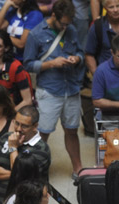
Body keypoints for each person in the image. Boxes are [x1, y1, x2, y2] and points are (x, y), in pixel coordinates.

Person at [23, 0, 84, 176]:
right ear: (54, 16)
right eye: (63, 23)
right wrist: (51, 64)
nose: (66, 26)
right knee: (43, 133)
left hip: (71, 88)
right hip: (49, 90)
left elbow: (80, 52)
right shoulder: (36, 34)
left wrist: (77, 59)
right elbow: (27, 64)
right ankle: (35, 170)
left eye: (68, 23)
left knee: (72, 130)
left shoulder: (71, 30)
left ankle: (77, 168)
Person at [0, 106, 49, 204]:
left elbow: (20, 178)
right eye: (16, 123)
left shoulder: (41, 150)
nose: (18, 129)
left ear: (35, 126)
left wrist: (13, 148)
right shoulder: (6, 137)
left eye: (24, 126)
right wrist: (14, 174)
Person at [84, 0, 119, 74]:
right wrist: (97, 76)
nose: (115, 10)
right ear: (105, 8)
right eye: (111, 7)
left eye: (118, 6)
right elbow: (89, 54)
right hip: (107, 75)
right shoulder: (97, 27)